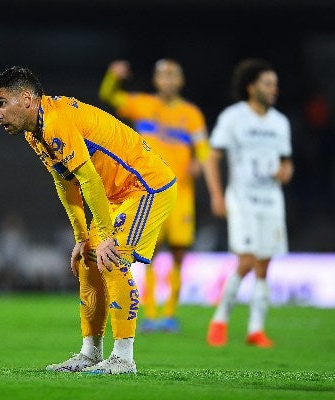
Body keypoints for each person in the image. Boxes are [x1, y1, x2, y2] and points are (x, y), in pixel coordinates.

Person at [0, 66, 177, 374]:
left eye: (1, 103)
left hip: (146, 185)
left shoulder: (56, 122)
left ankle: (124, 358)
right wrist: (83, 237)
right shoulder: (36, 132)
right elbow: (66, 181)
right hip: (116, 195)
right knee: (89, 262)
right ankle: (90, 353)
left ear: (27, 99)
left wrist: (106, 235)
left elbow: (88, 179)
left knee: (112, 259)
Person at [99, 59, 210, 332]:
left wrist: (200, 163)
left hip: (181, 193)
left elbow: (204, 150)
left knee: (179, 253)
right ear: (156, 80)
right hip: (148, 191)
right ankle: (149, 314)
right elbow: (108, 96)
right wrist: (113, 76)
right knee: (146, 252)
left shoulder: (191, 114)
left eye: (173, 76)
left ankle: (170, 313)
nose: (168, 81)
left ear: (180, 81)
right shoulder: (143, 104)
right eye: (163, 75)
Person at [205, 59, 294, 348]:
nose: (273, 89)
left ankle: (255, 329)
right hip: (242, 199)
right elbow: (212, 157)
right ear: (251, 86)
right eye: (268, 83)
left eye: (275, 84)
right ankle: (220, 320)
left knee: (264, 265)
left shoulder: (280, 123)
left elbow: (286, 162)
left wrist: (286, 171)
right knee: (246, 260)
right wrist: (217, 195)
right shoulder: (233, 118)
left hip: (271, 200)